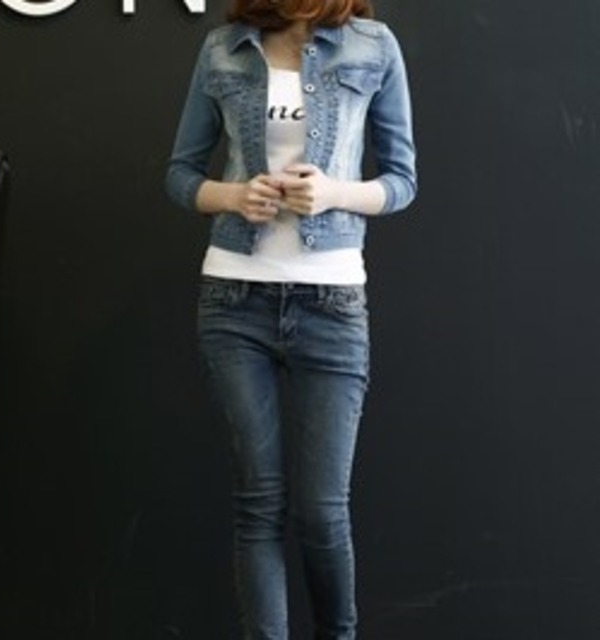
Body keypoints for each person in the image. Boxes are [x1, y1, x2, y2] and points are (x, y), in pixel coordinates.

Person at [165, 0, 416, 637]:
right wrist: (232, 194)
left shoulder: (373, 45)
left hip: (332, 302)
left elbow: (402, 180)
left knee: (322, 511)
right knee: (259, 504)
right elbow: (180, 175)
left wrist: (332, 193)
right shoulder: (225, 47)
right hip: (233, 299)